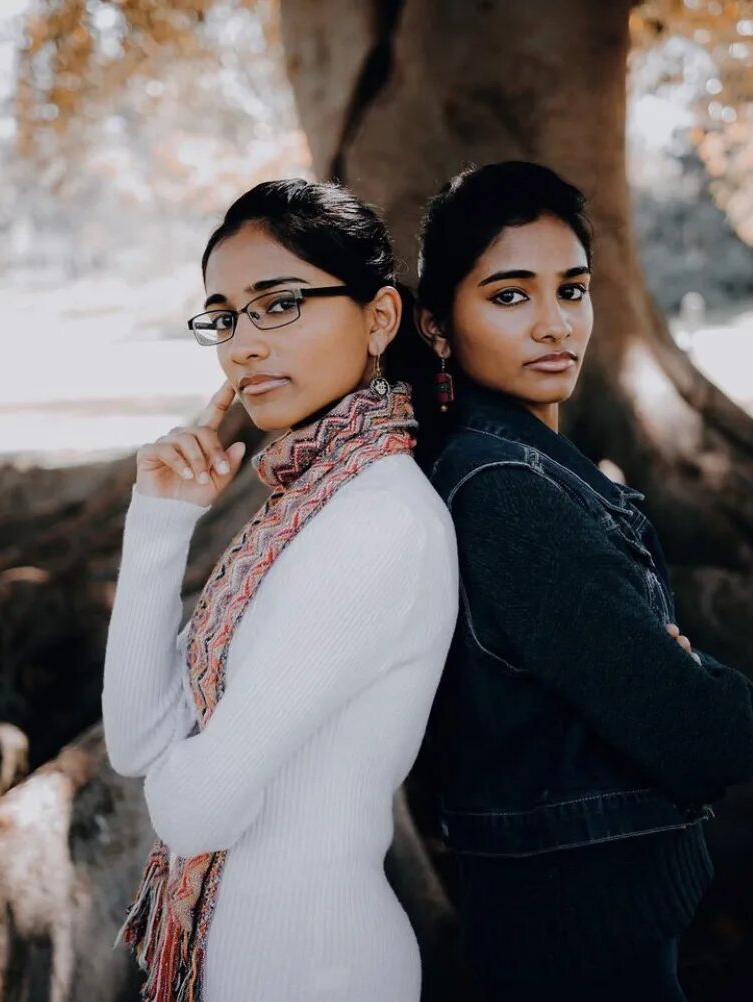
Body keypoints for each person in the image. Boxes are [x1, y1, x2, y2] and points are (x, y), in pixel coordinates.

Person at [405, 161, 753, 1001]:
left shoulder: (519, 467)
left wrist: (665, 665)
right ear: (433, 325)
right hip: (576, 942)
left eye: (571, 290)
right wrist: (709, 683)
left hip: (588, 923)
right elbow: (711, 738)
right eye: (508, 295)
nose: (553, 325)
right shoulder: (504, 493)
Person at [100, 178, 459, 1002]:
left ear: (377, 319)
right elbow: (137, 742)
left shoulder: (377, 523)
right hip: (245, 960)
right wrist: (157, 524)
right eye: (224, 317)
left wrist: (190, 772)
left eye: (279, 304)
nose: (241, 346)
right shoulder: (304, 508)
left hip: (316, 967)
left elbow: (196, 813)